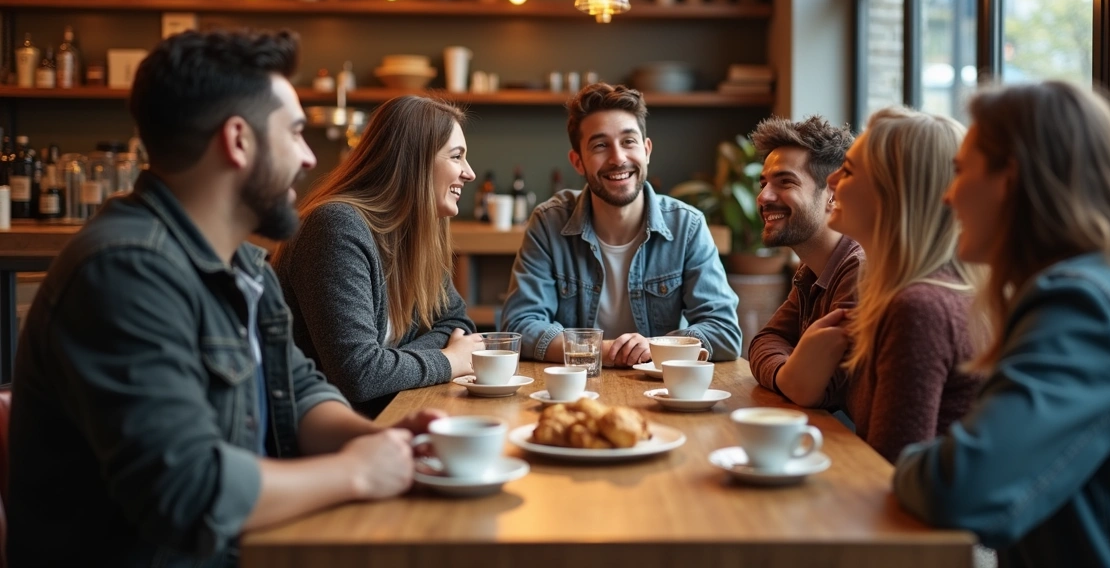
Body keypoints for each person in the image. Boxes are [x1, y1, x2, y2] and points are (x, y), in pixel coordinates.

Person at [7, 30, 441, 566]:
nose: (309, 158)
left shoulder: (242, 266)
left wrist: (389, 441)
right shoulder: (125, 271)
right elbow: (186, 492)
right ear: (239, 141)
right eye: (296, 133)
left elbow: (299, 392)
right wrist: (359, 470)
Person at [894, 82, 1110, 566]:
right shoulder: (1108, 286)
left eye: (961, 171)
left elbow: (962, 489)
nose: (948, 195)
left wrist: (909, 465)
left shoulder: (1086, 305)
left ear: (1012, 179)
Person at [776, 106, 983, 462]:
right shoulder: (892, 289)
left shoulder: (919, 307)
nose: (832, 180)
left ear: (895, 193)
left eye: (850, 170)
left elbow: (889, 471)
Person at [500, 82, 742, 367]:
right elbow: (520, 325)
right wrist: (606, 351)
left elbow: (725, 331)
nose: (618, 158)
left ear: (647, 150)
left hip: (660, 391)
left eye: (628, 141)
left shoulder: (686, 226)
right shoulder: (549, 222)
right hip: (575, 389)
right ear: (578, 162)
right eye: (600, 145)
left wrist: (655, 346)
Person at [272, 96, 483, 417]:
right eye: (457, 157)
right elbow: (359, 374)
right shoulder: (336, 227)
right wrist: (449, 360)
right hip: (321, 440)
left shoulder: (415, 236)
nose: (469, 173)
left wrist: (390, 362)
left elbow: (457, 323)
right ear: (416, 160)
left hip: (382, 417)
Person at [747, 115, 863, 393]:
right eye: (764, 184)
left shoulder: (859, 270)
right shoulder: (812, 269)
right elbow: (767, 339)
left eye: (785, 182)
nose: (763, 197)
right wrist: (787, 376)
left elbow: (820, 388)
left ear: (833, 194)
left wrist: (791, 377)